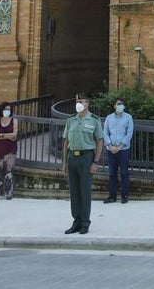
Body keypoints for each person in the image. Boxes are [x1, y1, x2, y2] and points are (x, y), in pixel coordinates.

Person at [62, 94, 104, 234]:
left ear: (87, 104)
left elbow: (99, 141)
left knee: (84, 191)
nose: (78, 104)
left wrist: (95, 162)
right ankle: (76, 221)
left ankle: (85, 222)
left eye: (80, 101)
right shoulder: (71, 120)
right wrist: (64, 162)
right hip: (72, 157)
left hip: (86, 157)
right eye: (77, 101)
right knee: (74, 192)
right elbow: (66, 141)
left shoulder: (94, 120)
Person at [103, 97, 134, 204]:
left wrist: (120, 147)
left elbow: (129, 133)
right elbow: (105, 132)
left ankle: (125, 195)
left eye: (122, 104)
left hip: (123, 149)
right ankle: (112, 196)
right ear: (114, 106)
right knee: (112, 173)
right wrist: (110, 146)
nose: (121, 106)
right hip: (111, 149)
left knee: (124, 172)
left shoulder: (128, 118)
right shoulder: (109, 118)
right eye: (119, 104)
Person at [0, 102, 18, 201]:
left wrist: (1, 135)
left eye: (9, 109)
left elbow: (14, 135)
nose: (7, 111)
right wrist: (7, 136)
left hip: (10, 149)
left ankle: (9, 192)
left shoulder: (14, 121)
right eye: (5, 109)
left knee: (8, 170)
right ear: (1, 110)